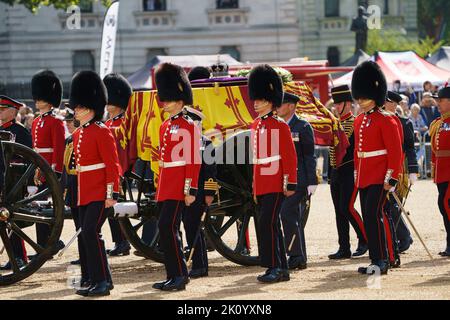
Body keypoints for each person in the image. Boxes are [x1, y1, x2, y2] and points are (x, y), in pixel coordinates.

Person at [69, 70, 120, 297]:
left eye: (79, 107)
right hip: (85, 192)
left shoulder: (102, 131)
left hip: (100, 192)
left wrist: (112, 193)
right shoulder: (79, 134)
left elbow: (112, 165)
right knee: (88, 234)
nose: (75, 111)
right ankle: (102, 281)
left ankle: (101, 281)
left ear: (90, 108)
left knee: (91, 232)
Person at [152, 63, 201, 291]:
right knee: (166, 230)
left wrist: (190, 190)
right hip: (167, 185)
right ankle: (174, 274)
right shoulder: (164, 126)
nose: (165, 102)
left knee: (167, 227)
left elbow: (193, 160)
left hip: (180, 186)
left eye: (169, 98)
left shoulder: (188, 125)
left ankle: (180, 274)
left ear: (180, 99)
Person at [351, 61, 403, 275]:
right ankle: (376, 259)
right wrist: (357, 173)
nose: (360, 100)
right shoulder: (360, 120)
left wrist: (392, 177)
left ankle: (383, 259)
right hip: (365, 176)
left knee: (375, 215)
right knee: (369, 217)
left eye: (364, 95)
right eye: (359, 96)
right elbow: (358, 151)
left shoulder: (387, 120)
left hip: (381, 176)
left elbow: (395, 152)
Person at [248, 64, 297, 283]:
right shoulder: (256, 125)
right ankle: (280, 268)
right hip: (263, 182)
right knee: (270, 224)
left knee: (267, 222)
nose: (255, 103)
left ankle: (274, 266)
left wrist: (290, 183)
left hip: (277, 181)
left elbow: (289, 156)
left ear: (269, 100)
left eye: (259, 99)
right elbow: (257, 160)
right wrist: (255, 186)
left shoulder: (280, 125)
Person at [276, 92, 317, 270]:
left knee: (287, 214)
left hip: (299, 179)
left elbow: (309, 155)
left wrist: (312, 181)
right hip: (283, 179)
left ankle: (295, 255)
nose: (278, 108)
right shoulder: (278, 126)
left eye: (281, 104)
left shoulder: (302, 126)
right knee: (293, 218)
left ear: (291, 106)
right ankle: (298, 256)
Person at [327, 86, 368, 260]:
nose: (336, 107)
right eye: (335, 103)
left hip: (350, 171)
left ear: (347, 104)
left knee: (347, 207)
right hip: (336, 172)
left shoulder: (356, 122)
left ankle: (364, 239)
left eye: (339, 103)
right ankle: (344, 247)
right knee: (339, 211)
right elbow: (331, 151)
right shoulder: (334, 124)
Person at [30, 70, 65, 254]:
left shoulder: (56, 121)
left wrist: (54, 171)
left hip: (49, 168)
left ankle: (51, 242)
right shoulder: (36, 121)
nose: (37, 100)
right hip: (39, 168)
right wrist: (36, 169)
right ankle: (43, 243)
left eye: (40, 96)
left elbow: (59, 149)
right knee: (37, 205)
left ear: (49, 98)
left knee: (46, 205)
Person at [182, 107, 217, 278]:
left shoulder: (206, 143)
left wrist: (209, 194)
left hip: (200, 192)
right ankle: (198, 264)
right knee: (189, 227)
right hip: (184, 192)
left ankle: (200, 265)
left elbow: (211, 172)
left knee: (194, 228)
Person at [385, 91, 419, 257]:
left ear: (393, 104)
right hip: (384, 167)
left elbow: (411, 147)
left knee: (393, 203)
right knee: (389, 204)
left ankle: (404, 238)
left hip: (400, 169)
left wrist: (413, 170)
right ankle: (398, 237)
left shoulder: (405, 123)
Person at [103, 73, 134, 257]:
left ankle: (123, 242)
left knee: (116, 206)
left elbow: (125, 150)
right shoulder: (107, 123)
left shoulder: (124, 123)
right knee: (110, 208)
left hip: (121, 171)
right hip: (108, 171)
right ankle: (119, 241)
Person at [0, 95, 32, 270]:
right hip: (3, 180)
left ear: (13, 112)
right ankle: (14, 256)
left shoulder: (20, 131)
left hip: (15, 181)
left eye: (3, 109)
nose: (0, 112)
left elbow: (29, 159)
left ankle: (19, 256)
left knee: (10, 219)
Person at [430, 86, 450, 257]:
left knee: (446, 204)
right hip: (442, 172)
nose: (438, 103)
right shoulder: (439, 123)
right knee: (443, 206)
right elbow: (435, 150)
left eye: (441, 100)